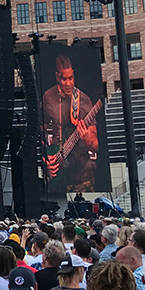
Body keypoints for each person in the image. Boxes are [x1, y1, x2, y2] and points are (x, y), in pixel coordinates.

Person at [41, 53, 99, 193]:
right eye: (64, 79)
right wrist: (46, 159)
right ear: (57, 77)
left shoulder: (83, 100)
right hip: (57, 175)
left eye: (71, 78)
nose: (68, 83)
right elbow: (41, 132)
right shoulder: (48, 97)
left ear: (74, 75)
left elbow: (95, 145)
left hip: (81, 177)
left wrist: (86, 138)